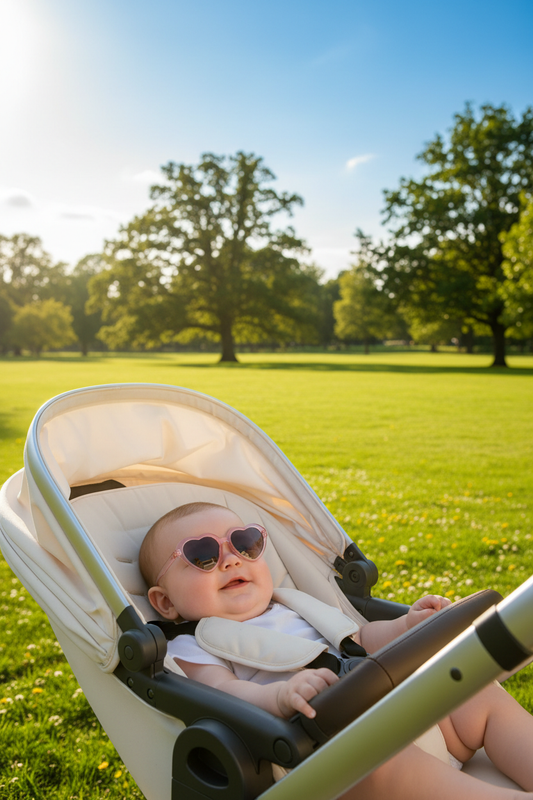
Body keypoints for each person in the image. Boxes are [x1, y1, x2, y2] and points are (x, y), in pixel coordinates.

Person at [139, 501, 533, 800]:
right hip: (320, 748)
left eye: (245, 543)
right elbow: (221, 692)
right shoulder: (193, 642)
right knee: (375, 764)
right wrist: (276, 696)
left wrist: (406, 626)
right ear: (166, 603)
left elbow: (358, 640)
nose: (231, 559)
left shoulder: (294, 604)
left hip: (405, 709)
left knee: (480, 697)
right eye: (203, 555)